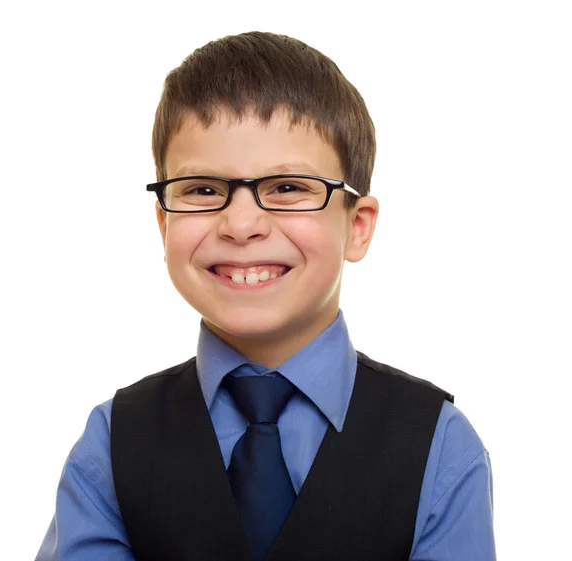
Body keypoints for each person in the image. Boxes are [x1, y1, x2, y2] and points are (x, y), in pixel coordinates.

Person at [36, 31, 495, 560]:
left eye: (288, 187)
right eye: (203, 190)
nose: (241, 223)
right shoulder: (110, 446)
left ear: (359, 226)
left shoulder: (439, 447)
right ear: (164, 225)